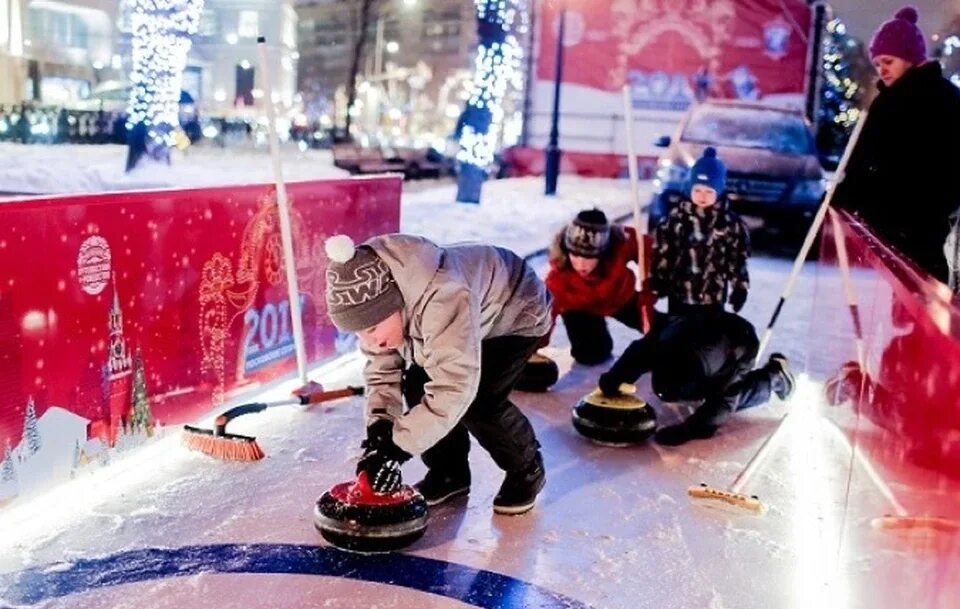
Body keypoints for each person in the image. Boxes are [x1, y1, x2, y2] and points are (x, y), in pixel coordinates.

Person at [323, 233, 552, 515]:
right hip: (464, 315)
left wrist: (397, 449)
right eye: (359, 332)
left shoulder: (443, 295)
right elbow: (383, 374)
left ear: (396, 305)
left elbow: (454, 386)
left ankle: (527, 470)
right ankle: (449, 473)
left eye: (371, 329)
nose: (368, 340)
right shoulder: (381, 310)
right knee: (417, 385)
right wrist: (380, 429)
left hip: (516, 308)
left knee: (480, 401)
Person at [596, 147, 795, 445]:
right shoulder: (676, 221)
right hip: (681, 300)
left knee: (720, 396)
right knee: (669, 348)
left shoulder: (729, 226)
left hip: (719, 320)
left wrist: (690, 431)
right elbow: (644, 347)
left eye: (709, 190)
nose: (702, 196)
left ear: (719, 191)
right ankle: (684, 375)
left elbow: (737, 261)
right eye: (698, 189)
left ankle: (773, 378)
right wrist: (613, 380)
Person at [833, 6, 960, 284]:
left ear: (910, 58)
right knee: (914, 295)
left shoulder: (901, 103)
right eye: (877, 64)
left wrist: (845, 196)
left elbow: (866, 162)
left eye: (888, 61)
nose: (882, 70)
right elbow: (862, 161)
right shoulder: (939, 97)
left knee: (917, 292)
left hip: (915, 225)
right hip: (914, 226)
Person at [543, 208, 647, 365]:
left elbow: (647, 249)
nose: (581, 264)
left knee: (663, 331)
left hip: (621, 298)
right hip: (581, 308)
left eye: (589, 257)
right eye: (575, 255)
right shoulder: (558, 279)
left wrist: (654, 274)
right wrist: (531, 351)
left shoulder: (619, 243)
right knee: (591, 354)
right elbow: (543, 316)